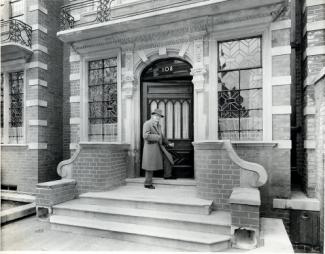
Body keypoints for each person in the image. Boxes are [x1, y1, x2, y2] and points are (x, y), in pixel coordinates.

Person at [142, 108, 176, 189]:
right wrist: (157, 137)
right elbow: (145, 136)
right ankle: (147, 183)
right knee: (150, 166)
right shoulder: (147, 124)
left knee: (168, 158)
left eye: (159, 116)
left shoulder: (158, 125)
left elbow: (162, 137)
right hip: (151, 148)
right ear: (152, 115)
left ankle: (167, 175)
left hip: (159, 147)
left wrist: (168, 143)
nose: (157, 117)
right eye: (156, 115)